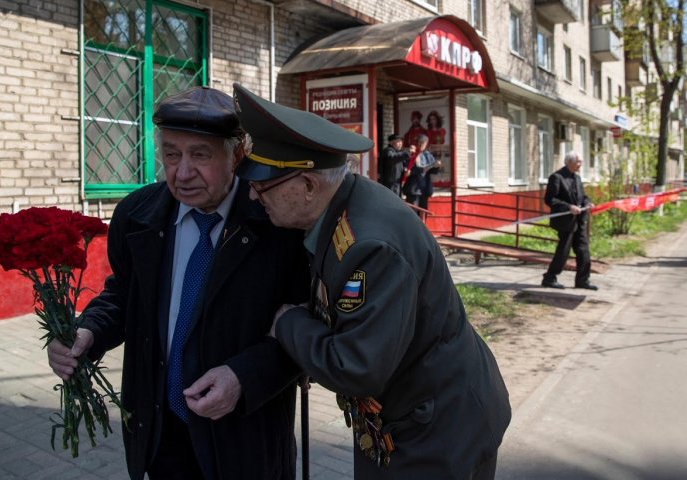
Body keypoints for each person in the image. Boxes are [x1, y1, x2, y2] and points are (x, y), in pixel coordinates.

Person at [232, 83, 511, 480]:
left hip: (437, 432)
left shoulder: (370, 245)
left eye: (262, 187)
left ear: (308, 186)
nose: (256, 196)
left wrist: (289, 326)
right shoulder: (340, 208)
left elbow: (356, 366)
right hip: (411, 417)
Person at [47, 86, 310, 480]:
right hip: (160, 431)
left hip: (243, 438)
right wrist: (87, 331)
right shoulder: (137, 216)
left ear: (237, 155)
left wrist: (244, 376)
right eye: (171, 154)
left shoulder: (277, 225)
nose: (182, 173)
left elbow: (304, 328)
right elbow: (123, 295)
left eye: (200, 155)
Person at [542, 151, 598, 290]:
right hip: (565, 221)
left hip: (579, 221)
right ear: (569, 162)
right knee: (563, 252)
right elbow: (550, 199)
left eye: (581, 162)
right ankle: (549, 278)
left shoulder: (577, 178)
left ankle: (582, 281)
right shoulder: (557, 177)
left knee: (583, 250)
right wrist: (568, 207)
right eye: (578, 162)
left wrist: (588, 202)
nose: (580, 164)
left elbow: (582, 197)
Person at [402, 134, 441, 210]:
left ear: (426, 144)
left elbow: (432, 171)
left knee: (423, 211)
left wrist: (437, 167)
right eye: (419, 142)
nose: (420, 144)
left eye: (423, 143)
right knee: (412, 212)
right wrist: (420, 170)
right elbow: (407, 168)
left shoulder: (428, 155)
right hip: (413, 188)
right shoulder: (411, 153)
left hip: (424, 188)